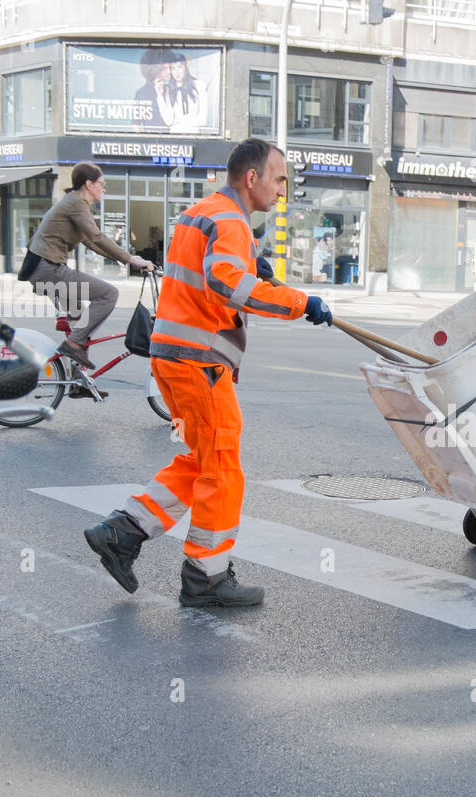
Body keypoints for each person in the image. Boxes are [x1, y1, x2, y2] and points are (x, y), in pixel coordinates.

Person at [83, 138, 335, 609]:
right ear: (252, 177)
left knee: (202, 460)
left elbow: (210, 271)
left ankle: (122, 532)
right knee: (222, 468)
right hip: (198, 362)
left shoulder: (201, 212)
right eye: (280, 180)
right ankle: (206, 576)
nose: (283, 191)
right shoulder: (230, 219)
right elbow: (226, 282)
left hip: (174, 356)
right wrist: (301, 303)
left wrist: (252, 265)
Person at [19, 163, 154, 370]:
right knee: (108, 294)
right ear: (89, 184)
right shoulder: (76, 203)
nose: (104, 188)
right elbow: (97, 237)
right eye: (102, 184)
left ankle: (76, 381)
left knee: (81, 320)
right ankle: (73, 345)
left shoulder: (75, 204)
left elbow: (90, 241)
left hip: (41, 268)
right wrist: (131, 259)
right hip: (48, 268)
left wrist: (126, 260)